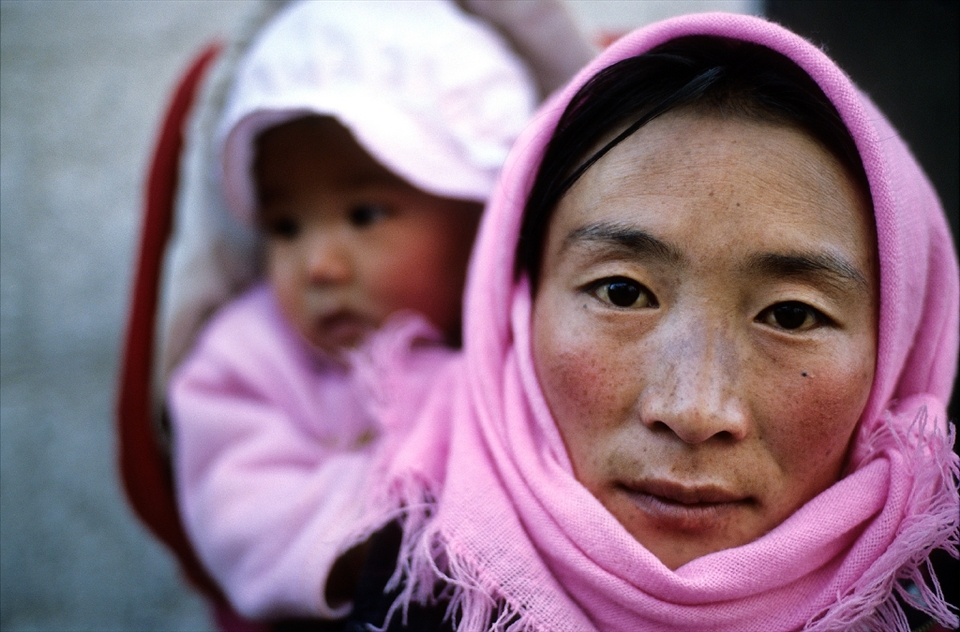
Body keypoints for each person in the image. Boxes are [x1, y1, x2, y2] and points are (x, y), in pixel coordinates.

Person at [330, 12, 959, 631]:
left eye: (791, 314)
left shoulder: (935, 602)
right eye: (623, 292)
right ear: (515, 303)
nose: (693, 412)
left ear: (901, 347)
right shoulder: (415, 577)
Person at [163, 0, 594, 622]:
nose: (318, 266)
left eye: (365, 215)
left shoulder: (532, 339)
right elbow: (237, 505)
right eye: (285, 227)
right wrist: (390, 511)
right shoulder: (248, 356)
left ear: (486, 218)